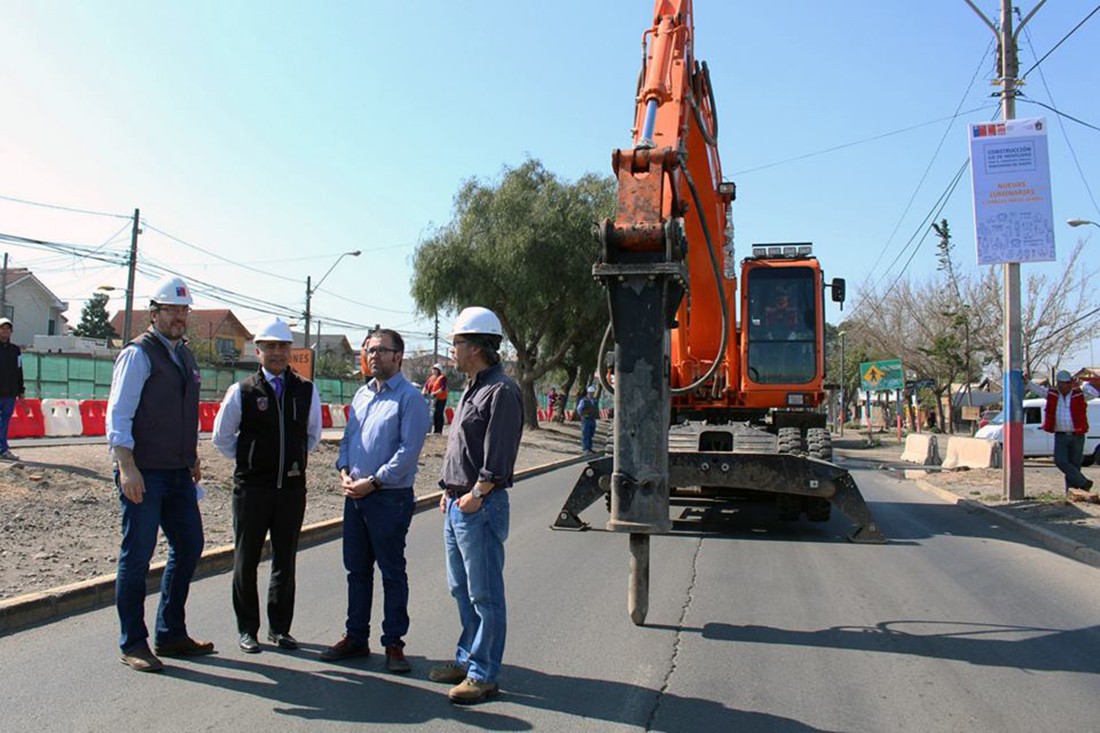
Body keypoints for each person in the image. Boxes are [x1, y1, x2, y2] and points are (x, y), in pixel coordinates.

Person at [106, 275, 213, 673]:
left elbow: (185, 411)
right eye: (172, 310)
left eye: (184, 311)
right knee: (137, 556)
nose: (179, 317)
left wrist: (193, 457)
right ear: (154, 313)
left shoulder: (184, 355)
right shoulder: (138, 354)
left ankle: (171, 632)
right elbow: (118, 414)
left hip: (178, 471)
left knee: (190, 545)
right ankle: (133, 641)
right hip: (144, 472)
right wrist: (126, 466)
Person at [322, 328, 430, 674]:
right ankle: (356, 637)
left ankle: (394, 643)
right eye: (369, 350)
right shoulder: (361, 396)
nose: (374, 356)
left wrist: (375, 481)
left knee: (391, 572)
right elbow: (347, 440)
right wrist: (344, 471)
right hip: (354, 496)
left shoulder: (410, 398)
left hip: (389, 498)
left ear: (398, 356)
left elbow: (408, 451)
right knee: (356, 570)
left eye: (382, 350)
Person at [212, 317, 322, 654]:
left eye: (283, 346)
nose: (277, 352)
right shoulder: (242, 391)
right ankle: (248, 629)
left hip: (290, 488)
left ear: (291, 351)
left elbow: (312, 436)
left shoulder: (305, 389)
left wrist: (289, 460)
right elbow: (222, 437)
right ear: (258, 350)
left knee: (285, 560)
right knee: (246, 561)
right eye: (270, 347)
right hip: (252, 490)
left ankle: (280, 628)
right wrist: (252, 460)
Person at [430, 306, 523, 705]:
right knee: (461, 589)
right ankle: (468, 658)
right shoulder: (472, 386)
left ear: (478, 346)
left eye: (457, 342)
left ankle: (484, 674)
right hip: (457, 503)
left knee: (485, 594)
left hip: (478, 506)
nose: (453, 349)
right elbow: (462, 448)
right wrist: (447, 490)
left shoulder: (501, 390)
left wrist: (476, 492)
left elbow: (497, 454)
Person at [1027, 370, 1098, 492]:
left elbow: (1094, 393)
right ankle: (1084, 483)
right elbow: (1038, 390)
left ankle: (1072, 492)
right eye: (1060, 383)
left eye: (1065, 383)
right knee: (1060, 461)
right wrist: (1027, 382)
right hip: (1061, 435)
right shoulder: (1053, 395)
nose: (1062, 386)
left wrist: (1080, 388)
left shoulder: (1079, 394)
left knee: (1074, 465)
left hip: (1077, 435)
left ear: (1070, 383)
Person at [0, 317, 25, 461]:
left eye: (7, 329)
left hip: (9, 393)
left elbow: (19, 370)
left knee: (4, 422)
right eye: (2, 328)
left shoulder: (15, 350)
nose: (5, 331)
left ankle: (3, 449)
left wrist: (21, 390)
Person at [422, 363, 448, 435]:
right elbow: (426, 386)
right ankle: (434, 430)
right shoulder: (431, 378)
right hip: (432, 398)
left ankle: (438, 430)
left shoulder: (442, 378)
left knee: (438, 414)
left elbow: (443, 388)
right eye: (433, 369)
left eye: (435, 369)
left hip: (441, 398)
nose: (433, 371)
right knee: (433, 414)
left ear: (438, 370)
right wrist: (423, 392)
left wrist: (435, 393)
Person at [577, 385, 600, 452]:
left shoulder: (595, 401)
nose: (592, 394)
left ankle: (589, 448)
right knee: (585, 434)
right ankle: (585, 448)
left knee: (591, 434)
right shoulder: (583, 401)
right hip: (586, 419)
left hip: (592, 419)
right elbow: (579, 409)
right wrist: (583, 415)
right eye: (590, 392)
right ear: (588, 393)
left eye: (593, 392)